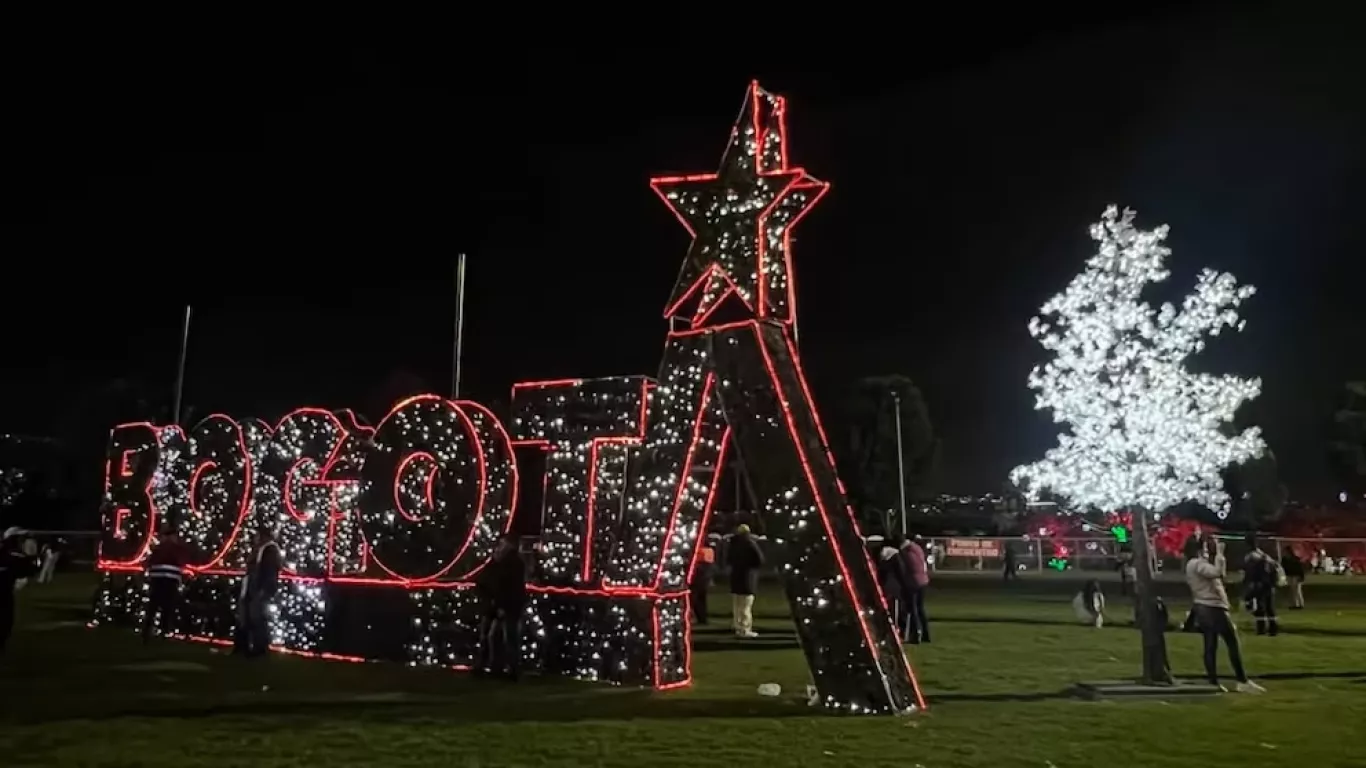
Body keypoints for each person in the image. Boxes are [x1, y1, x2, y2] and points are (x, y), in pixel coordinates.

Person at [1185, 535, 1263, 693]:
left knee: (1210, 644)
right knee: (1231, 641)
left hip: (1204, 606)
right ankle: (1241, 680)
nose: (1207, 552)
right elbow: (1218, 572)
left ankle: (1213, 681)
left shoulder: (1192, 565)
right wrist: (1220, 554)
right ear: (1198, 550)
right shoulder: (1198, 564)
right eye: (1205, 549)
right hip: (1213, 607)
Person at [474, 534, 528, 679]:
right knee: (496, 636)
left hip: (507, 606)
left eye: (503, 544)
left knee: (505, 637)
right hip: (499, 604)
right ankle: (498, 667)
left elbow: (509, 587)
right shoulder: (501, 562)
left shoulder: (512, 563)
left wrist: (501, 605)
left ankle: (508, 669)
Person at [236, 528, 281, 657]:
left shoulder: (269, 549)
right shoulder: (260, 550)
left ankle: (259, 648)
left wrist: (264, 589)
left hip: (259, 588)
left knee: (257, 617)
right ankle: (244, 646)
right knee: (246, 616)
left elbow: (269, 571)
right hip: (251, 586)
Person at [143, 527, 190, 643]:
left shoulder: (159, 548)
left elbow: (150, 562)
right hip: (171, 579)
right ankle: (163, 631)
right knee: (167, 606)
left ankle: (147, 631)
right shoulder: (177, 549)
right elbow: (182, 561)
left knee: (153, 606)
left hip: (157, 578)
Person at [1, 528, 41, 654]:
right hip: (4, 596)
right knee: (5, 624)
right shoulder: (15, 557)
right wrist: (33, 558)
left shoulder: (11, 556)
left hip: (5, 594)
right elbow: (31, 570)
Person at [727, 524, 764, 638]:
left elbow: (728, 559)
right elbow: (760, 560)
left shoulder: (732, 544)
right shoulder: (750, 544)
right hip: (748, 578)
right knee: (746, 606)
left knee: (737, 606)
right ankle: (745, 629)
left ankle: (738, 627)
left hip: (735, 578)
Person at [1242, 536, 1280, 636]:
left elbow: (1249, 572)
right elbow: (1274, 565)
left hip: (1258, 584)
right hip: (1268, 584)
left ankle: (1261, 628)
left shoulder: (1250, 556)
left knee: (1260, 607)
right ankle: (1273, 628)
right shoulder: (1264, 555)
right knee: (1269, 607)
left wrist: (1247, 582)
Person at [901, 535, 931, 643]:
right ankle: (926, 634)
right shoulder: (918, 549)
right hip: (923, 581)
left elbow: (906, 568)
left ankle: (916, 634)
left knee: (913, 609)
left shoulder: (906, 553)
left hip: (913, 582)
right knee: (920, 608)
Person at [877, 536, 909, 634]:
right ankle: (898, 629)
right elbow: (901, 572)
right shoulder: (896, 556)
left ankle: (887, 629)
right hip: (895, 586)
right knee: (897, 609)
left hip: (886, 585)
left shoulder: (881, 557)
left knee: (888, 608)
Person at [690, 535, 717, 625]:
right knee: (702, 599)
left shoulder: (699, 551)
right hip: (706, 578)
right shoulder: (710, 551)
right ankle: (703, 618)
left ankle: (694, 617)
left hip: (698, 578)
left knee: (694, 599)